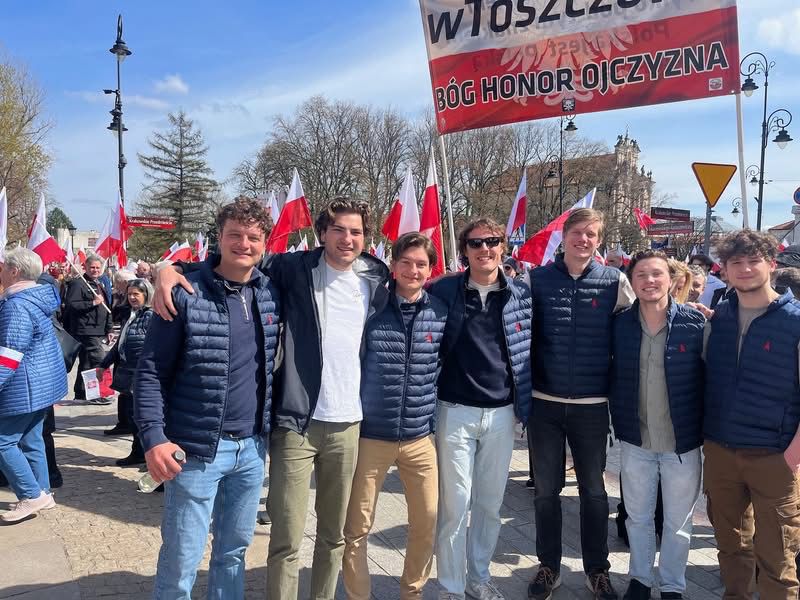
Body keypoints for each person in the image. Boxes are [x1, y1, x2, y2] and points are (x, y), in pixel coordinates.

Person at [155, 197, 390, 600]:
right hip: (296, 421)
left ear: (366, 238)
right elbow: (233, 261)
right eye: (338, 230)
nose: (347, 239)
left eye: (356, 232)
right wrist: (170, 269)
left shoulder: (376, 278)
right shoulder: (293, 268)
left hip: (348, 423)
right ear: (322, 233)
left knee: (334, 535)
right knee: (286, 535)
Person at [136, 198, 280, 599]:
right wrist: (153, 438)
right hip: (196, 449)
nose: (244, 244)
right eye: (235, 234)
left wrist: (167, 267)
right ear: (219, 237)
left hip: (252, 449)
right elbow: (151, 371)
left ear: (265, 243)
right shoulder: (184, 293)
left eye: (253, 237)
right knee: (182, 557)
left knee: (233, 553)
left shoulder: (270, 292)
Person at [527, 208, 634, 600]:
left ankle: (597, 571)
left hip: (592, 404)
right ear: (564, 235)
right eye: (577, 232)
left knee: (594, 492)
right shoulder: (536, 280)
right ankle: (549, 567)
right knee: (545, 492)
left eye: (591, 234)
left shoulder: (615, 282)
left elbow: (639, 326)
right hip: (544, 402)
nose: (583, 239)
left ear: (599, 240)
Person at [428, 218, 532, 600]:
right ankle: (451, 586)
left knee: (489, 505)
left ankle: (479, 577)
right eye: (475, 243)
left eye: (491, 241)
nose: (484, 249)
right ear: (464, 251)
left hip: (501, 414)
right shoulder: (443, 290)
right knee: (455, 506)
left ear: (502, 246)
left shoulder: (521, 295)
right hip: (454, 410)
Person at [342, 232, 447, 600]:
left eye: (421, 264)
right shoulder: (371, 308)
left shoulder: (440, 312)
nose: (413, 270)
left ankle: (412, 592)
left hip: (419, 438)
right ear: (394, 265)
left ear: (431, 270)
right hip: (372, 436)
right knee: (357, 527)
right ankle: (358, 596)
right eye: (406, 262)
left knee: (426, 522)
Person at [703, 229, 800, 599]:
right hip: (722, 453)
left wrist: (792, 456)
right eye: (736, 262)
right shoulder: (721, 317)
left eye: (753, 261)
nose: (744, 268)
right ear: (725, 269)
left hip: (774, 456)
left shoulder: (794, 321)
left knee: (777, 559)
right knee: (731, 549)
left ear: (771, 265)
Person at [610, 251, 705, 600]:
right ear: (632, 282)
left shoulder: (696, 324)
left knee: (678, 523)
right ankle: (639, 579)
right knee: (637, 517)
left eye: (656, 274)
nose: (649, 281)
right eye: (641, 275)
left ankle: (672, 585)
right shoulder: (619, 325)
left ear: (672, 279)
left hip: (682, 443)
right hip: (636, 441)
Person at [0, 248, 67, 523]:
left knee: (2, 442)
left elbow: (9, 353)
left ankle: (31, 494)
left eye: (4, 267)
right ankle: (42, 491)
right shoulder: (34, 297)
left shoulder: (16, 304)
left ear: (14, 271)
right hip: (41, 384)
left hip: (25, 385)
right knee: (31, 439)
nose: (1, 271)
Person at [98, 279, 155, 463]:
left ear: (146, 295)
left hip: (142, 372)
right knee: (133, 415)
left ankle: (144, 454)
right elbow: (120, 343)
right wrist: (104, 364)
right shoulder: (130, 314)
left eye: (136, 294)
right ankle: (139, 453)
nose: (131, 297)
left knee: (141, 416)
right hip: (128, 371)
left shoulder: (150, 316)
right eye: (129, 294)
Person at [63, 254, 112, 403]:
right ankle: (98, 394)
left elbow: (107, 307)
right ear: (86, 267)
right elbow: (71, 305)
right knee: (99, 360)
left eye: (98, 268)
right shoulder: (78, 284)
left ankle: (81, 392)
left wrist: (109, 329)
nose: (95, 270)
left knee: (86, 361)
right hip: (85, 329)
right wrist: (92, 303)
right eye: (92, 267)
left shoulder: (99, 283)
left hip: (97, 329)